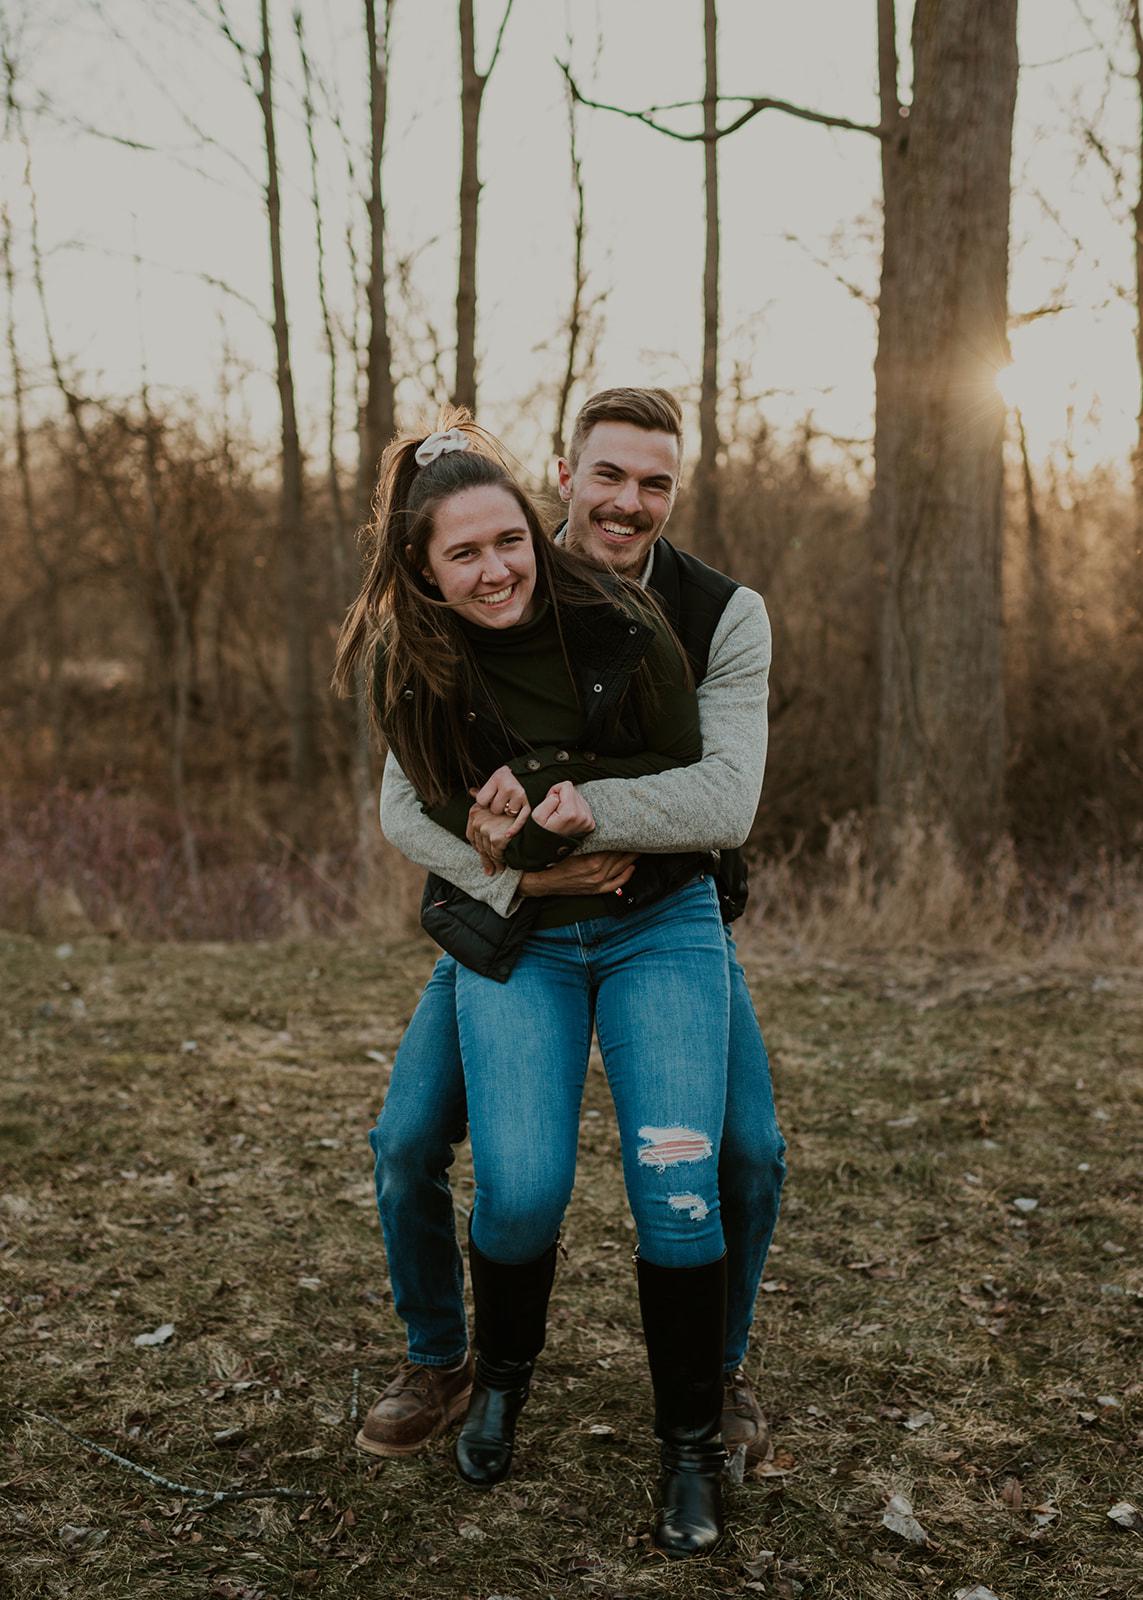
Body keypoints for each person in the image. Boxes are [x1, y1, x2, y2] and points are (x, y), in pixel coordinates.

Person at [334, 412, 736, 1557]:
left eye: (508, 539)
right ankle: (498, 1379)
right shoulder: (408, 665)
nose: (495, 568)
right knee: (518, 1189)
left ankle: (691, 1444)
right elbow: (430, 812)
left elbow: (692, 781)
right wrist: (507, 847)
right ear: (425, 569)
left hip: (659, 925)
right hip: (523, 942)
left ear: (535, 525)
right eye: (463, 553)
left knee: (679, 1187)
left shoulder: (621, 621)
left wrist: (566, 796)